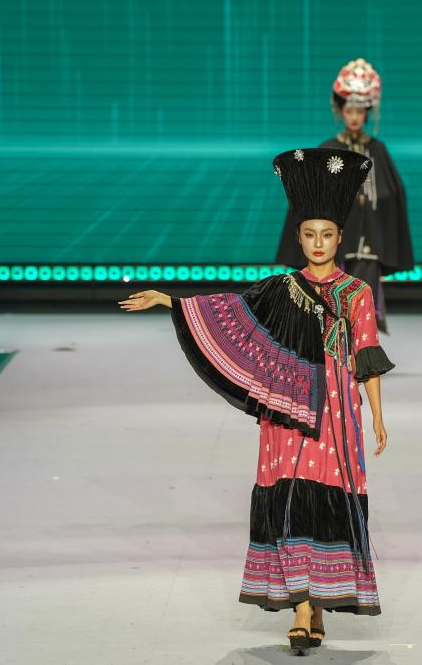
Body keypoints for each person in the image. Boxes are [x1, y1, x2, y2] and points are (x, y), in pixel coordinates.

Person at [120, 148, 394, 654]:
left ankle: (316, 603)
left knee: (326, 497)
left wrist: (376, 416)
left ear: (339, 237)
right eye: (309, 234)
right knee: (288, 495)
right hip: (287, 409)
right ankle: (302, 608)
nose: (317, 243)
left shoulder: (356, 292)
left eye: (326, 234)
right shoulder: (279, 288)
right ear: (299, 238)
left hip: (337, 413)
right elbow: (230, 310)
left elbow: (367, 355)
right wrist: (170, 301)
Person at [275, 58, 414, 334]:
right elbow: (309, 194)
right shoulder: (328, 149)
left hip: (369, 246)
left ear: (368, 113)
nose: (354, 117)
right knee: (333, 302)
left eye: (360, 111)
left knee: (363, 303)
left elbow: (392, 194)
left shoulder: (378, 150)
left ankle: (363, 348)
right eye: (349, 110)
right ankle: (333, 347)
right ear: (340, 110)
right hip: (334, 244)